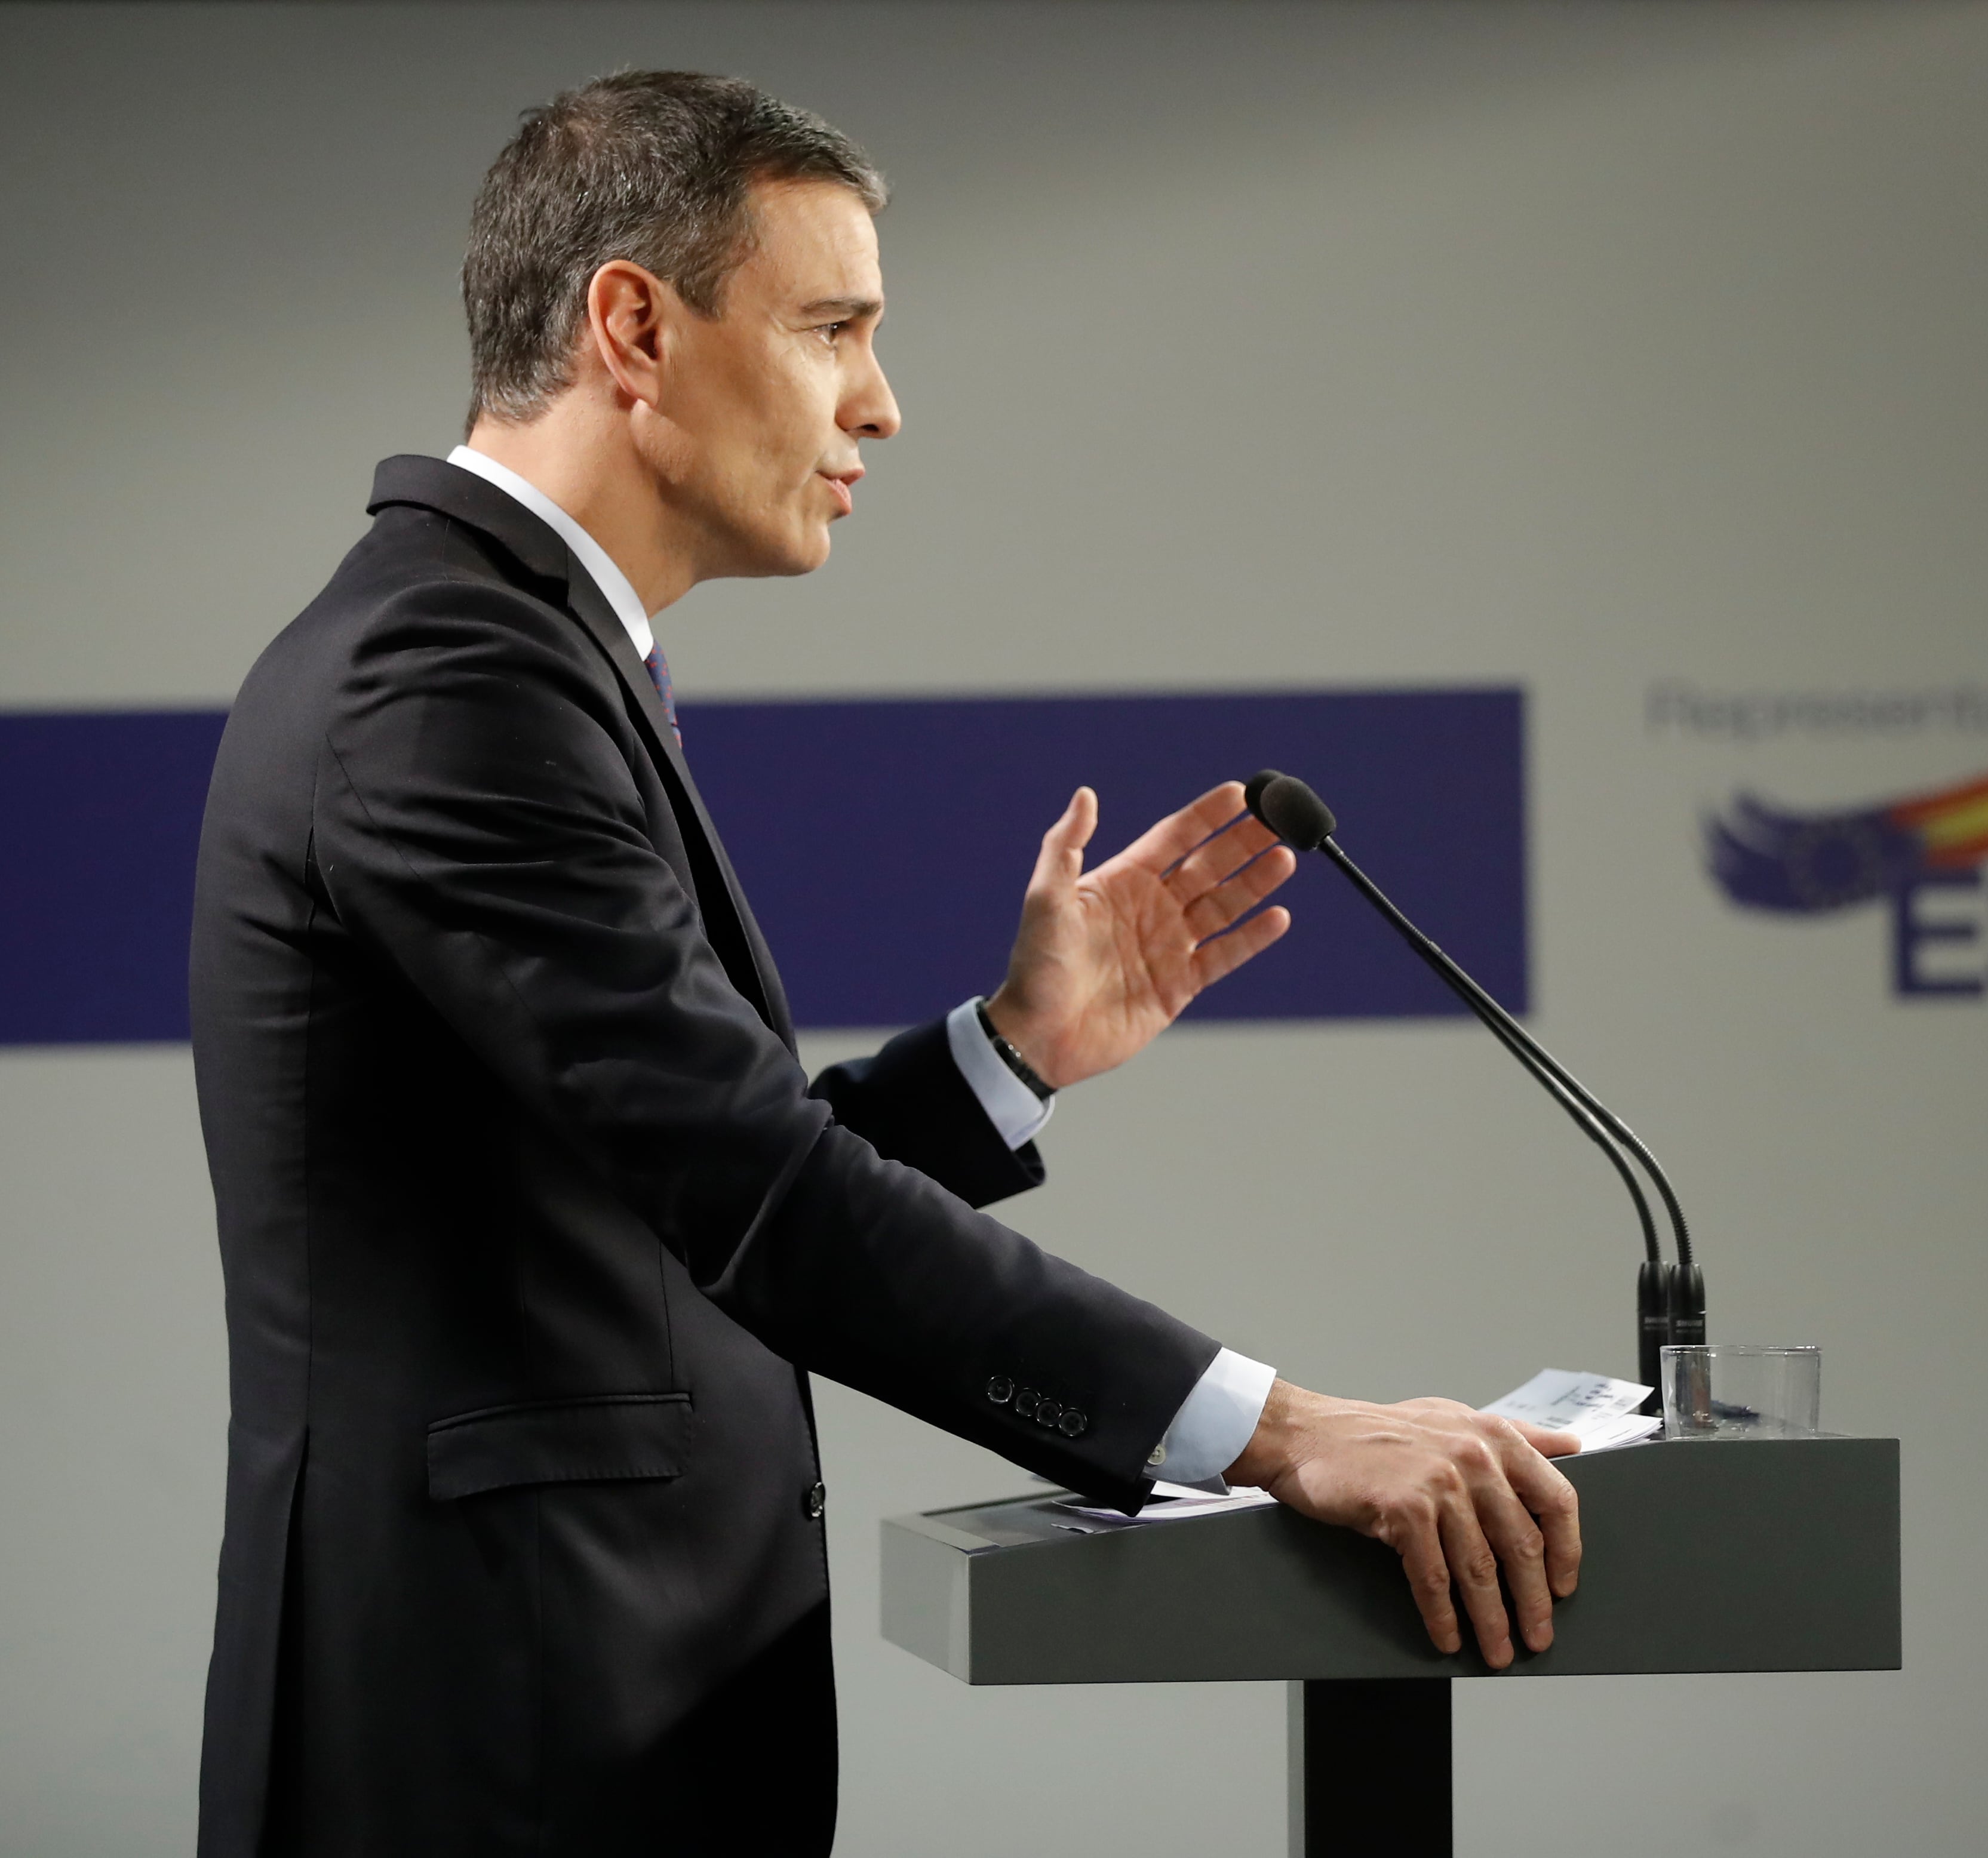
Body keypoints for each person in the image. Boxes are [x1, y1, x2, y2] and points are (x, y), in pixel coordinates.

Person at [189, 69, 1580, 1857]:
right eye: (834, 327)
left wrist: (1013, 1052)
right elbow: (758, 1196)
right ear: (635, 326)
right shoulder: (448, 683)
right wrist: (1276, 1428)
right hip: (492, 1752)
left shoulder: (506, 654)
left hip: (560, 1731)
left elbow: (664, 1221)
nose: (883, 405)